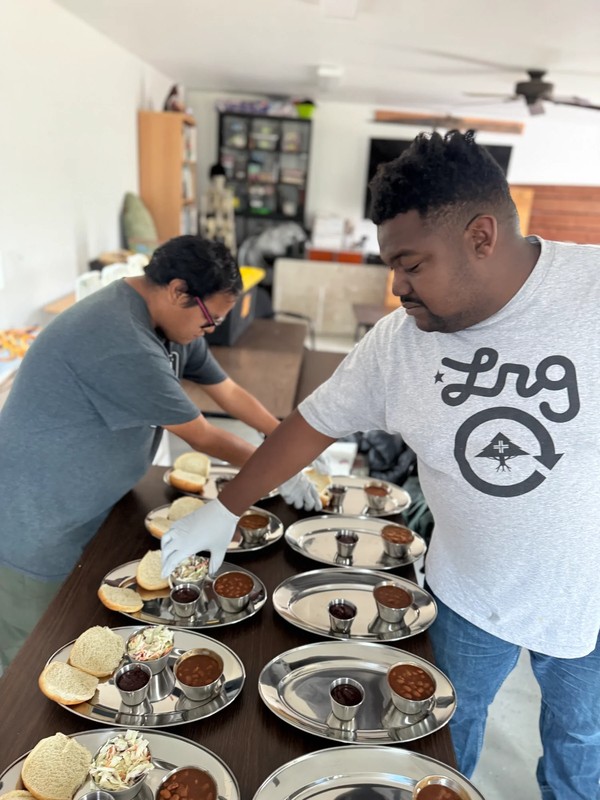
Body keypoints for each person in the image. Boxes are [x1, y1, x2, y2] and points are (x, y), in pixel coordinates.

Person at [161, 132, 600, 799]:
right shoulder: (400, 343)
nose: (397, 286)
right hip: (469, 594)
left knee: (579, 749)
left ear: (482, 236)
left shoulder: (590, 296)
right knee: (447, 739)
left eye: (412, 263)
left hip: (586, 598)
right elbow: (309, 424)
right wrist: (223, 509)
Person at [0, 235, 319, 669]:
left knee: (82, 642)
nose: (209, 331)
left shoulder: (176, 321)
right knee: (30, 662)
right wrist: (282, 468)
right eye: (210, 321)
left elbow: (226, 390)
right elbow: (203, 435)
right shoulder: (120, 338)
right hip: (38, 528)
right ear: (177, 290)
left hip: (98, 513)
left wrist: (281, 439)